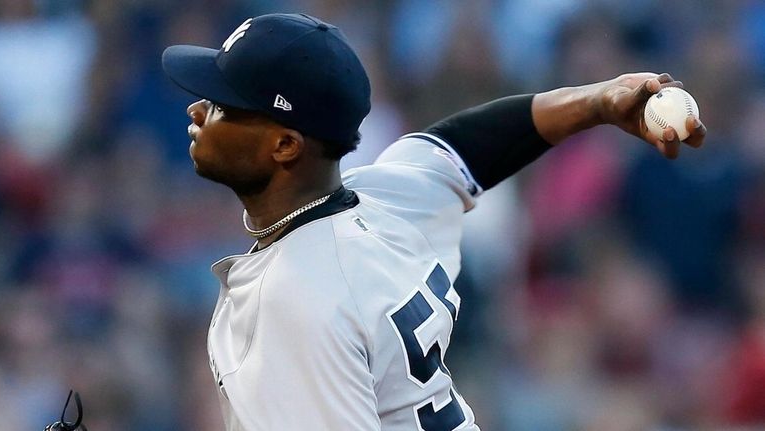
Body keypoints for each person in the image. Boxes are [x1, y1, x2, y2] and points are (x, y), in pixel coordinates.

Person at [161, 13, 705, 431]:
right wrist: (599, 103)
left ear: (284, 144)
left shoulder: (291, 303)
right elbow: (466, 146)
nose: (197, 110)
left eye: (223, 104)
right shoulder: (381, 202)